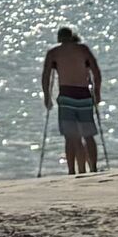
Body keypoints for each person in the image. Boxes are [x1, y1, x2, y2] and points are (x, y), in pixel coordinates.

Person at [41, 24, 104, 174]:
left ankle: (74, 170)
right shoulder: (83, 49)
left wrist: (47, 97)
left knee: (71, 137)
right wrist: (97, 92)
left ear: (59, 38)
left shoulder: (53, 52)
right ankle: (93, 168)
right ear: (71, 36)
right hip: (83, 96)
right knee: (88, 135)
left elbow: (45, 76)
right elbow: (96, 72)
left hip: (66, 96)